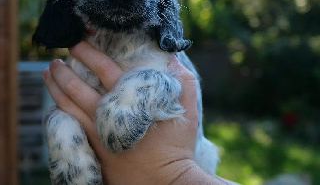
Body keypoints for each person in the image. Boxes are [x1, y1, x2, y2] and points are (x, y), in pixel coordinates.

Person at [43, 41, 237, 184]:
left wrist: (171, 172)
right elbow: (72, 108)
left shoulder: (161, 47)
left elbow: (172, 81)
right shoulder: (82, 45)